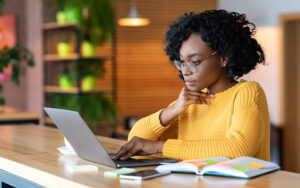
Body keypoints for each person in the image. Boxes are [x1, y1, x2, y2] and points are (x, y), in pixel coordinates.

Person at [112, 9, 270, 161]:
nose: (185, 71)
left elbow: (238, 148)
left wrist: (158, 147)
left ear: (223, 58)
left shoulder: (247, 92)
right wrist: (173, 110)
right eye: (181, 62)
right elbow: (135, 140)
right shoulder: (190, 101)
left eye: (194, 62)